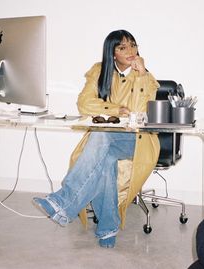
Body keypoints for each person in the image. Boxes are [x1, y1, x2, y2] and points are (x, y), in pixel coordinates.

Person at [33, 29, 160, 248]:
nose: (130, 50)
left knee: (101, 138)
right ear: (112, 53)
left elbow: (139, 113)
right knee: (106, 158)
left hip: (138, 141)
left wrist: (140, 76)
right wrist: (116, 109)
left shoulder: (146, 78)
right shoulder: (99, 71)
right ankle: (107, 228)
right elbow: (84, 104)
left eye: (133, 45)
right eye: (122, 47)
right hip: (105, 140)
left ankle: (63, 202)